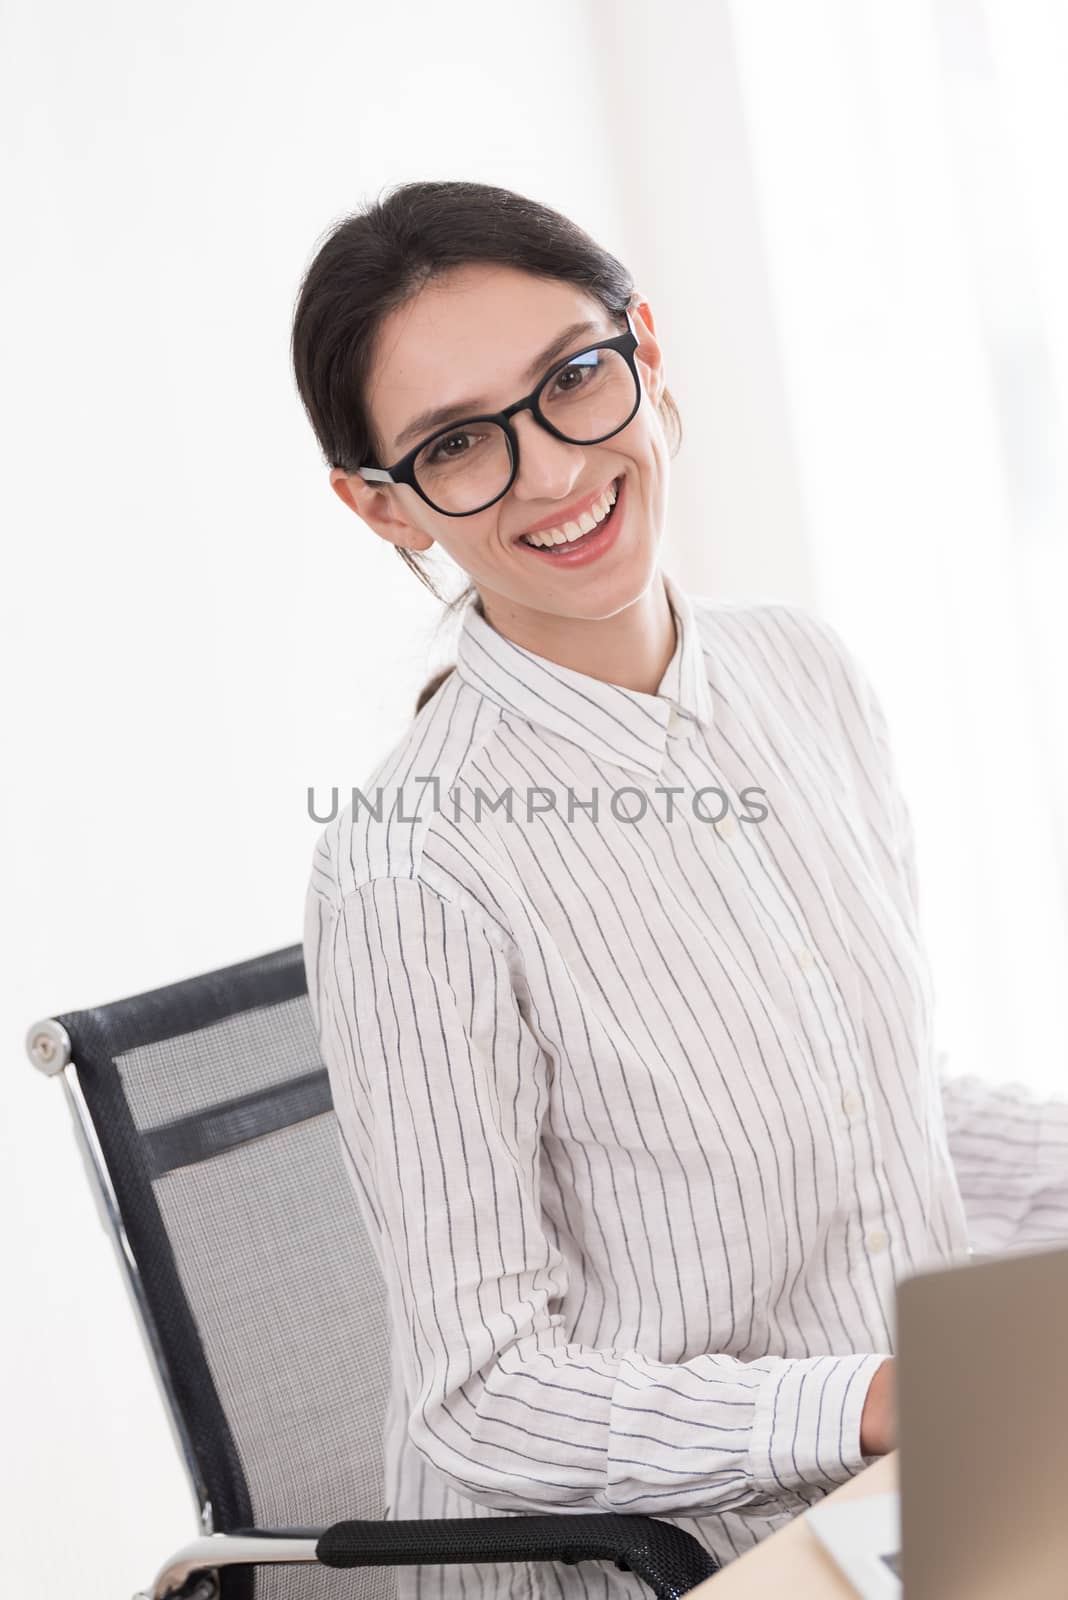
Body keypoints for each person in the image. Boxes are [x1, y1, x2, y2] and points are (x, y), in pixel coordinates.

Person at [292, 180, 1068, 1595]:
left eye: (574, 378)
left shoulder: (802, 673)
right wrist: (878, 1398)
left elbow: (881, 1102)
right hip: (661, 1559)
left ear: (648, 353)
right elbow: (481, 1392)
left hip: (908, 1489)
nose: (546, 472)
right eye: (459, 444)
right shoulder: (415, 869)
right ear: (379, 507)